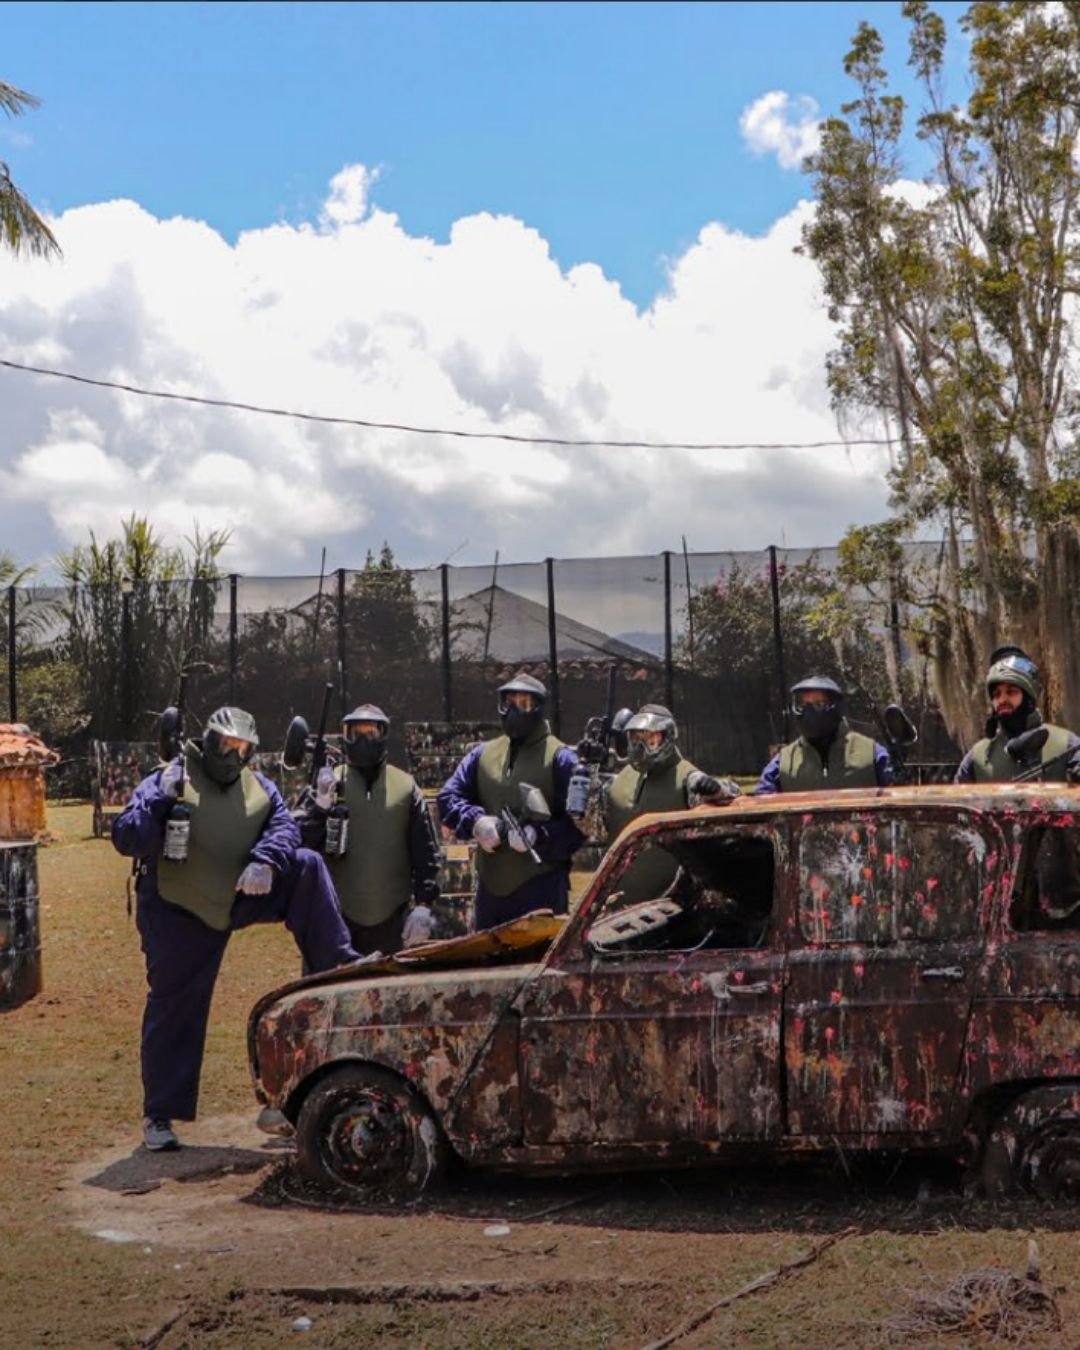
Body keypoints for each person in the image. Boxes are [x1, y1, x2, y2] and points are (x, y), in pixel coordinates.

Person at [111, 706, 359, 1152]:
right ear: (206, 742)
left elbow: (286, 828)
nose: (231, 755)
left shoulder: (260, 787)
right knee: (174, 1009)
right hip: (178, 907)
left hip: (239, 892)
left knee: (305, 866)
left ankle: (340, 966)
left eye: (241, 748)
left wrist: (266, 859)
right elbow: (127, 837)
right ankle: (159, 1116)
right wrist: (160, 800)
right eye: (224, 745)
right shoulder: (169, 776)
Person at [437, 672, 584, 930]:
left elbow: (580, 825)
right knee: (489, 968)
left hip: (542, 887)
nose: (515, 711)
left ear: (539, 708)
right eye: (509, 703)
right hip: (490, 890)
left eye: (525, 703)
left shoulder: (560, 758)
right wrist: (476, 822)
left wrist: (539, 835)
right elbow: (448, 797)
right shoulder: (482, 754)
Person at [303, 703, 442, 955]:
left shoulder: (405, 786)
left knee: (386, 992)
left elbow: (425, 851)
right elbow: (303, 845)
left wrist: (423, 905)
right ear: (345, 736)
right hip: (334, 918)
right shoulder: (328, 782)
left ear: (384, 735)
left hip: (391, 919)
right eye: (355, 733)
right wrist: (320, 806)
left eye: (371, 732)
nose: (363, 741)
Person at [603, 704, 740, 904]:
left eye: (651, 739)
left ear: (667, 736)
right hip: (617, 906)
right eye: (636, 738)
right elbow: (593, 830)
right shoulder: (618, 782)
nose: (641, 746)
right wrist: (585, 790)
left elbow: (734, 805)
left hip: (671, 909)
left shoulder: (687, 778)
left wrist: (717, 790)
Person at [954, 647, 1080, 782]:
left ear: (1028, 697)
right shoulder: (977, 758)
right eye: (996, 694)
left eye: (1011, 692)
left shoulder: (1067, 744)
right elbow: (953, 801)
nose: (1002, 700)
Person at [755, 676, 893, 794]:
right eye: (803, 705)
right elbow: (761, 805)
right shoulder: (784, 762)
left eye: (819, 704)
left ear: (835, 708)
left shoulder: (871, 754)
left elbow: (898, 797)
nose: (809, 712)